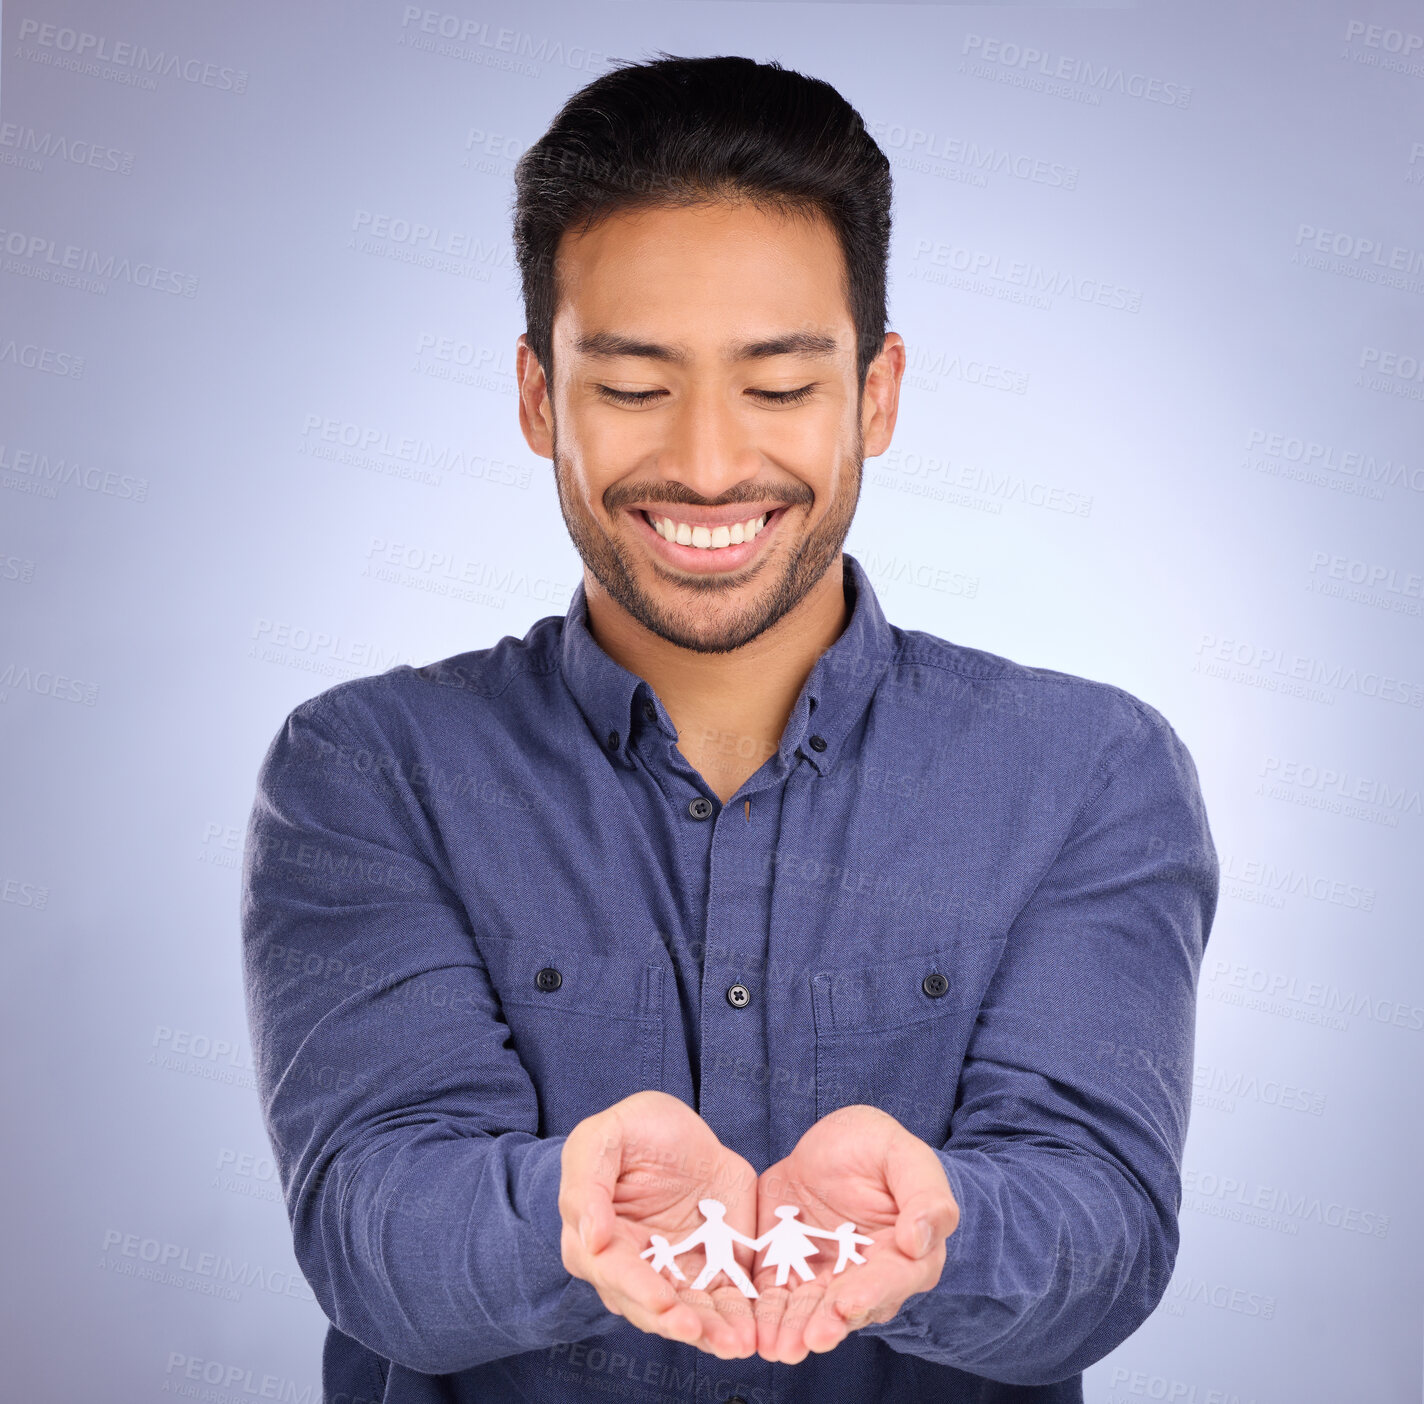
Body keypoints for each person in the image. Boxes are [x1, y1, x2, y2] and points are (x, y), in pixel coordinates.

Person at [240, 52, 1219, 1404]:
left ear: (875, 393)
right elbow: (371, 1228)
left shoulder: (1087, 774)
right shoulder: (368, 773)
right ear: (539, 398)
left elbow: (1103, 1232)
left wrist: (940, 1229)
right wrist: (563, 1209)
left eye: (778, 386)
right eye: (635, 387)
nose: (707, 463)